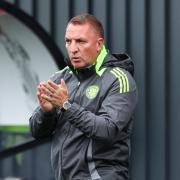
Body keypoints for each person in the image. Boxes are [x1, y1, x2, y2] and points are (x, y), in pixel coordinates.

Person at [29, 13, 138, 180]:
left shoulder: (119, 79)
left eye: (80, 41)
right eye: (68, 41)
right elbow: (36, 132)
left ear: (99, 44)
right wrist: (47, 112)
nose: (73, 48)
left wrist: (66, 105)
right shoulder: (60, 78)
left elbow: (108, 130)